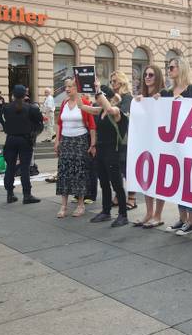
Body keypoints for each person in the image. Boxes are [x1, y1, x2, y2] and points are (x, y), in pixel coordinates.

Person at [159, 56, 192, 235]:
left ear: (181, 68)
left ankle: (191, 222)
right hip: (174, 144)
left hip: (190, 143)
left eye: (172, 68)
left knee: (190, 182)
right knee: (178, 181)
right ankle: (182, 218)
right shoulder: (168, 92)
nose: (169, 71)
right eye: (168, 68)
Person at [80, 80, 129, 227]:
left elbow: (110, 108)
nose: (96, 99)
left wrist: (98, 90)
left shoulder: (116, 112)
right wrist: (76, 91)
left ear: (106, 98)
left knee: (117, 184)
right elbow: (82, 106)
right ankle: (106, 211)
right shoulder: (100, 111)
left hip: (112, 152)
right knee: (104, 183)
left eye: (99, 97)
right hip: (101, 151)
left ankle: (123, 214)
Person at [55, 78, 96, 218]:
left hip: (80, 141)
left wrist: (93, 144)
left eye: (71, 86)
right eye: (66, 86)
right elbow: (59, 123)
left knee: (79, 173)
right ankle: (63, 205)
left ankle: (80, 204)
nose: (67, 89)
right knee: (64, 172)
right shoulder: (64, 103)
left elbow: (91, 126)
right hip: (66, 141)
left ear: (77, 88)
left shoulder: (84, 103)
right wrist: (57, 141)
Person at [136, 63, 167, 229]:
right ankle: (148, 212)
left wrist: (160, 102)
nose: (147, 78)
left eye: (151, 75)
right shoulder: (141, 96)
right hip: (144, 142)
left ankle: (158, 214)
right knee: (146, 178)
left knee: (159, 179)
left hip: (160, 143)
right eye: (145, 75)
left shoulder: (163, 95)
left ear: (157, 77)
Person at [2, 84, 43, 205]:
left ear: (13, 95)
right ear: (25, 95)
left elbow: (5, 123)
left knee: (10, 167)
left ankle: (10, 193)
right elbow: (39, 122)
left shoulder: (6, 108)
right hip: (25, 139)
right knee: (25, 167)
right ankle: (27, 195)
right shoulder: (31, 108)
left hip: (10, 139)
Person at [108, 71, 136, 212]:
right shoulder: (114, 98)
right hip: (114, 139)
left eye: (114, 81)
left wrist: (113, 104)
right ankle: (119, 195)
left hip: (126, 139)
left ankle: (131, 198)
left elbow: (122, 114)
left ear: (122, 82)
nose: (112, 84)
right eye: (111, 81)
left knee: (127, 170)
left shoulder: (127, 98)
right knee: (116, 169)